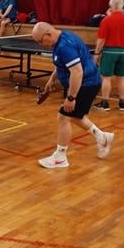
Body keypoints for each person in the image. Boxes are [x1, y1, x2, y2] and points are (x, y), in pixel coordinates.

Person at [31, 22, 115, 169]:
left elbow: (77, 72)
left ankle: (60, 158)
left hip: (86, 84)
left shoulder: (65, 46)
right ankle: (102, 138)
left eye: (40, 41)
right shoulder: (61, 38)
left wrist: (71, 98)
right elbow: (62, 64)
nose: (40, 45)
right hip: (86, 82)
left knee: (63, 117)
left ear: (48, 34)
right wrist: (52, 79)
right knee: (76, 116)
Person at [93, 0, 124, 111]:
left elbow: (101, 40)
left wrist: (97, 53)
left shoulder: (106, 20)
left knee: (106, 77)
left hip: (109, 51)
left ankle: (105, 103)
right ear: (122, 5)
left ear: (111, 6)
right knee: (122, 78)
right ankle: (122, 103)